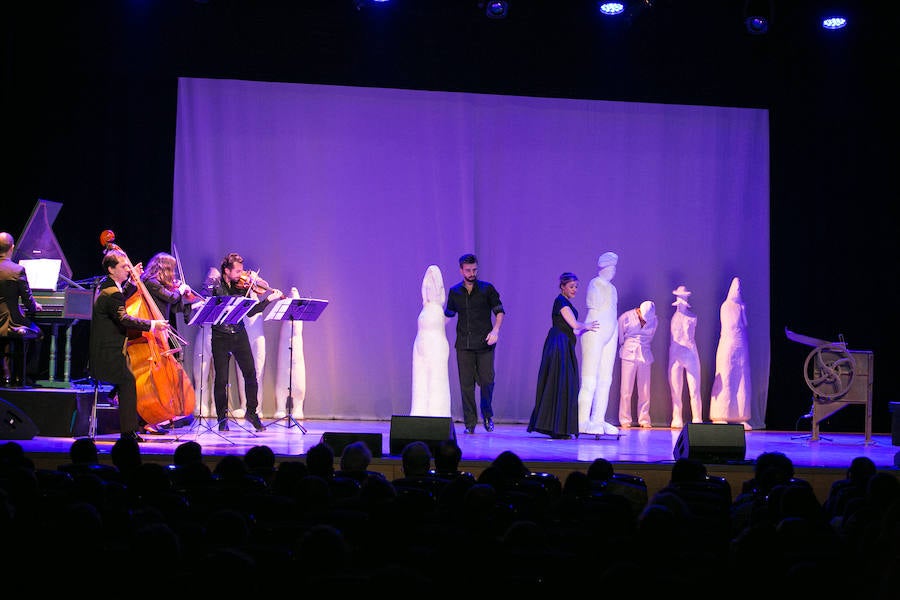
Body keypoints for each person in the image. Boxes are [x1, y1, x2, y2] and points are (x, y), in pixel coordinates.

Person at [89, 248, 170, 442]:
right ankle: (129, 432)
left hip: (106, 351)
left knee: (129, 378)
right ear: (111, 269)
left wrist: (132, 282)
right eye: (124, 266)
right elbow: (124, 318)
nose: (129, 269)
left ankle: (131, 428)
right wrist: (152, 324)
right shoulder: (111, 292)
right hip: (109, 354)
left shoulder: (108, 286)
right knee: (128, 382)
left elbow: (119, 302)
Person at [201, 252, 283, 432]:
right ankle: (222, 418)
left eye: (242, 270)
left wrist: (268, 299)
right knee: (221, 379)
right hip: (220, 336)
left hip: (239, 334)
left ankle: (252, 413)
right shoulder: (216, 286)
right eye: (237, 271)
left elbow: (251, 312)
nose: (242, 274)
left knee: (251, 374)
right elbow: (209, 304)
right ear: (227, 270)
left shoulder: (242, 287)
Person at [527, 272, 598, 439]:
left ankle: (557, 427)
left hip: (563, 343)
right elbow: (574, 324)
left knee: (562, 384)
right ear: (562, 287)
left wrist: (581, 333)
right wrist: (588, 326)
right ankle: (556, 428)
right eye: (571, 287)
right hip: (559, 345)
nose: (575, 290)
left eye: (576, 287)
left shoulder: (565, 302)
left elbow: (573, 329)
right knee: (560, 383)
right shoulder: (561, 302)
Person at [139, 251, 199, 434]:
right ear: (163, 268)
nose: (173, 275)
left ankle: (161, 414)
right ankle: (148, 414)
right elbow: (172, 298)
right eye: (171, 270)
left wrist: (189, 301)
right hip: (152, 332)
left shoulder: (160, 285)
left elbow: (174, 306)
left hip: (161, 332)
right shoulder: (150, 282)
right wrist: (179, 291)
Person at [445, 253, 505, 434]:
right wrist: (432, 326)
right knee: (466, 384)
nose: (472, 273)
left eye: (474, 270)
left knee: (487, 381)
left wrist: (495, 330)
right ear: (461, 270)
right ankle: (470, 423)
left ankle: (487, 415)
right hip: (464, 344)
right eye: (468, 270)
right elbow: (449, 315)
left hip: (485, 343)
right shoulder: (455, 291)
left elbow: (499, 311)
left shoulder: (487, 289)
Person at [576, 251, 620, 436]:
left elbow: (612, 309)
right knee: (590, 379)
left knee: (605, 379)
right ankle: (582, 420)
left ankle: (598, 419)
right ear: (603, 268)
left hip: (611, 331)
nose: (613, 271)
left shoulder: (613, 288)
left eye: (614, 268)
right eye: (610, 267)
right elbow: (594, 307)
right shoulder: (595, 283)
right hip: (595, 331)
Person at [0, 232, 43, 386]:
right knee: (38, 333)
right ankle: (24, 375)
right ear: (12, 248)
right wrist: (35, 305)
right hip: (11, 323)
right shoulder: (17, 270)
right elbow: (29, 303)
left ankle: (6, 373)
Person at [709, 276, 751, 431]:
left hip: (742, 345)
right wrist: (739, 311)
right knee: (726, 378)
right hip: (729, 344)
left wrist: (743, 311)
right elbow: (733, 325)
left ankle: (741, 416)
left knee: (742, 379)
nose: (739, 290)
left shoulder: (741, 306)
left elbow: (744, 324)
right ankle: (721, 415)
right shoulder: (726, 306)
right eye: (736, 287)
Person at [411, 264, 451, 417]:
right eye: (426, 288)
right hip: (421, 350)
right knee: (420, 383)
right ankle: (420, 411)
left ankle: (437, 412)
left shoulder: (437, 310)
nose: (428, 291)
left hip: (435, 349)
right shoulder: (425, 309)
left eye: (431, 288)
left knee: (435, 382)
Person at [618, 300, 658, 428]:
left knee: (645, 390)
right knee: (626, 389)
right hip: (629, 353)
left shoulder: (654, 319)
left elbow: (651, 336)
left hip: (645, 354)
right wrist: (628, 346)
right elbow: (620, 337)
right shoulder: (626, 317)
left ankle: (644, 419)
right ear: (639, 310)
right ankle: (625, 419)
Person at [667, 285, 703, 428]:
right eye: (678, 297)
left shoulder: (692, 317)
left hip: (690, 354)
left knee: (694, 389)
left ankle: (697, 417)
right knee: (676, 391)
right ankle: (677, 418)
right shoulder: (674, 318)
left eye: (682, 297)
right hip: (675, 355)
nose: (680, 300)